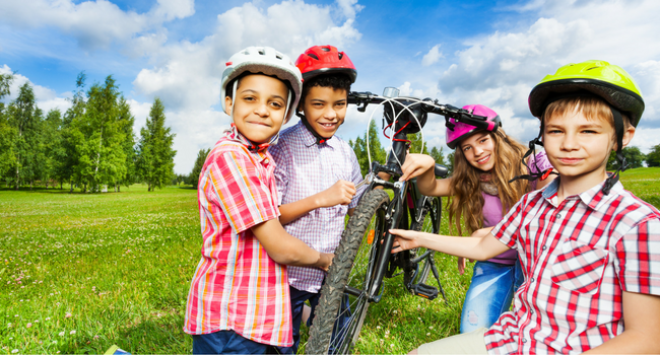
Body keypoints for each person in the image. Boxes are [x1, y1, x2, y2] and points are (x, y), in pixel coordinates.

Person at [390, 60, 660, 354]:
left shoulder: (639, 225)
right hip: (516, 335)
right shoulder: (531, 205)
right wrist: (417, 238)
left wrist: (486, 231)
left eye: (588, 131)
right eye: (556, 131)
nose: (569, 144)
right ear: (541, 135)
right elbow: (483, 250)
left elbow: (647, 338)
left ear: (623, 137)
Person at [183, 46, 334, 355]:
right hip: (233, 321)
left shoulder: (257, 160)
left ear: (287, 114)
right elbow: (278, 246)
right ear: (229, 103)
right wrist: (323, 260)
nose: (263, 110)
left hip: (252, 316)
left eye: (275, 103)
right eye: (250, 98)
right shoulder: (232, 159)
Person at [400, 104, 554, 334]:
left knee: (535, 332)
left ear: (498, 137)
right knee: (472, 332)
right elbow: (430, 188)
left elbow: (550, 206)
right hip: (495, 260)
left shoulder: (532, 163)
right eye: (467, 148)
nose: (477, 152)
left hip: (535, 260)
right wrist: (428, 167)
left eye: (483, 140)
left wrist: (484, 234)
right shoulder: (470, 179)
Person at [269, 44, 367, 354]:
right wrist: (320, 199)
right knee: (282, 344)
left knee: (338, 337)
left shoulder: (345, 151)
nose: (330, 114)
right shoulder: (282, 148)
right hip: (289, 275)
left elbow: (357, 206)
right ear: (300, 105)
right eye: (319, 104)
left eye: (339, 104)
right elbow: (269, 216)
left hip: (331, 270)